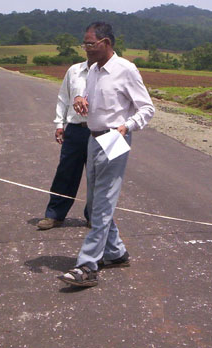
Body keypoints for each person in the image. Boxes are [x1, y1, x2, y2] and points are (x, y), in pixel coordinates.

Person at [58, 22, 154, 287]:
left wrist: (127, 126)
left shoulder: (126, 70)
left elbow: (146, 108)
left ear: (106, 43)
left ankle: (87, 265)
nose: (86, 49)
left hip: (115, 138)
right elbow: (88, 94)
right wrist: (80, 98)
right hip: (93, 137)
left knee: (101, 204)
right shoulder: (92, 70)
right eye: (85, 44)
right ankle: (115, 252)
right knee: (95, 203)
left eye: (91, 44)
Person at [36, 53, 92, 230]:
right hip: (75, 129)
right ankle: (54, 214)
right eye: (87, 44)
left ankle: (95, 216)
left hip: (99, 131)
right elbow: (63, 98)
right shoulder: (74, 71)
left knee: (97, 176)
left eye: (94, 44)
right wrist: (60, 124)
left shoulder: (110, 73)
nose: (90, 49)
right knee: (65, 173)